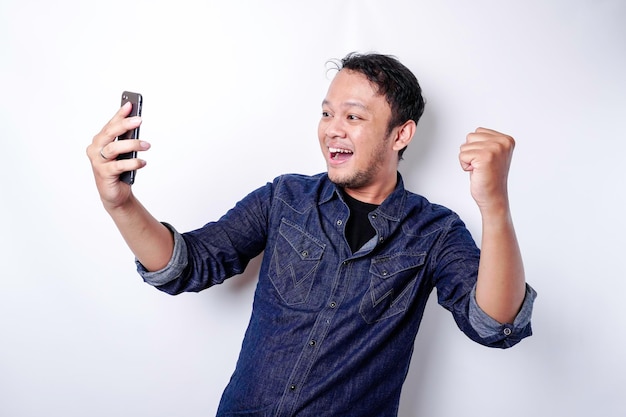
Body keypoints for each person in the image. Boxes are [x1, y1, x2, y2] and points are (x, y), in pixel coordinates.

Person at [86, 52, 536, 417]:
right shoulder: (284, 198)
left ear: (401, 134)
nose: (332, 128)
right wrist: (120, 203)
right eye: (326, 113)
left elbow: (494, 326)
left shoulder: (434, 231)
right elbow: (186, 266)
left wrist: (494, 204)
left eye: (354, 116)